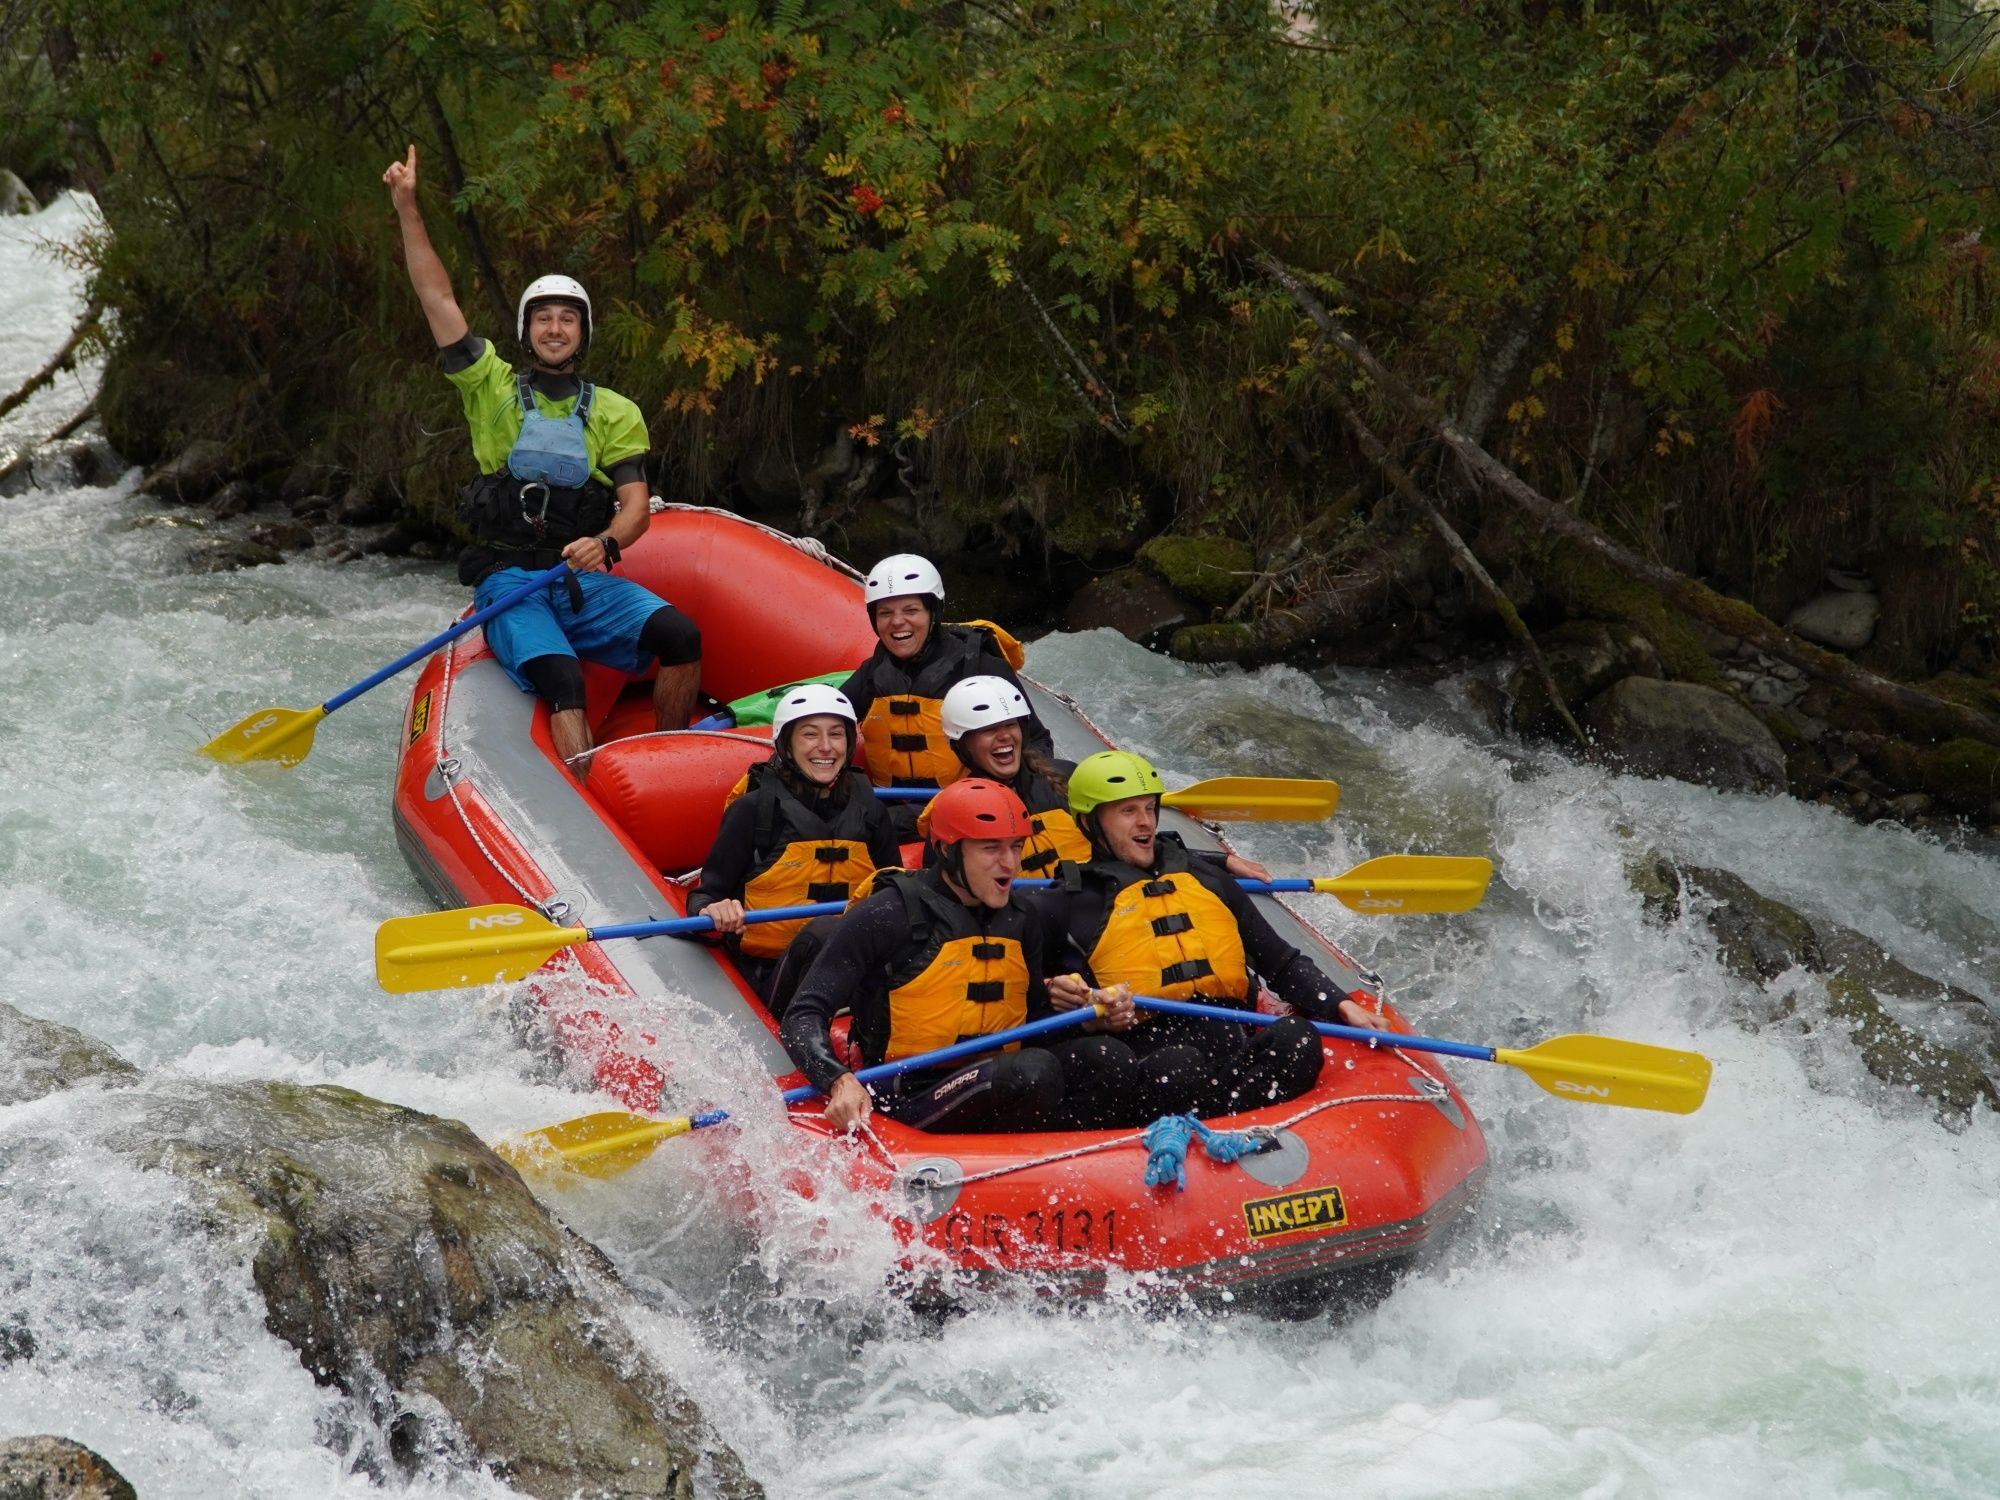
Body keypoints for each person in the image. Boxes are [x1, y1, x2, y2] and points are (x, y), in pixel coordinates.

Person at [383, 143, 702, 770]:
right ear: (527, 331)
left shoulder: (615, 411)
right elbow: (437, 298)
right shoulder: (490, 384)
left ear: (583, 333)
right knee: (564, 679)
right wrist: (407, 208)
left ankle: (663, 761)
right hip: (509, 583)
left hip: (578, 580)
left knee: (682, 636)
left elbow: (636, 507)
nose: (555, 329)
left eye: (567, 320)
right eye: (544, 319)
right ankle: (582, 792)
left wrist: (606, 543)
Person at [779, 778, 1146, 1134]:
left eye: (1016, 847)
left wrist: (1087, 1018)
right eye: (991, 849)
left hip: (995, 1079)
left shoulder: (1022, 919)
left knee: (1109, 1058)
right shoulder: (886, 914)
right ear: (947, 850)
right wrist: (839, 1080)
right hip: (906, 1093)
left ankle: (1053, 1160)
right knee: (1033, 1070)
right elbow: (803, 1014)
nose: (1010, 864)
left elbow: (1028, 1022)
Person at [1040, 750, 1390, 1119]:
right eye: (1128, 811)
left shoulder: (1206, 877)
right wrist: (1071, 1002)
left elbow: (1279, 961)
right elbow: (1038, 1005)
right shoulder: (1070, 902)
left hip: (1232, 1056)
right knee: (1180, 1065)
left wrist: (1342, 1005)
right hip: (1155, 1067)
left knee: (1297, 1037)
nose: (1145, 822)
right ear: (1089, 822)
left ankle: (1245, 1129)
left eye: (1149, 808)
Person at [921, 676, 1273, 883]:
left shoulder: (1068, 778)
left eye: (1009, 725)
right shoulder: (953, 810)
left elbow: (1131, 841)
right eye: (988, 730)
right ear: (962, 746)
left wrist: (1219, 861)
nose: (1003, 737)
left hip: (1097, 912)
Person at [687, 684, 903, 999]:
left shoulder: (870, 810)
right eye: (810, 735)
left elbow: (894, 892)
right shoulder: (753, 811)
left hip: (853, 966)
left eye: (836, 734)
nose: (826, 747)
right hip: (772, 970)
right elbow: (704, 895)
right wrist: (713, 909)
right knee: (824, 931)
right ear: (786, 745)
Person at [838, 554, 1052, 794]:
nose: (897, 622)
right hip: (889, 805)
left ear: (933, 613)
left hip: (972, 803)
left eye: (911, 610)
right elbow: (822, 723)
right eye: (885, 613)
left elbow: (1037, 741)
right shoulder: (871, 672)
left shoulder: (981, 667)